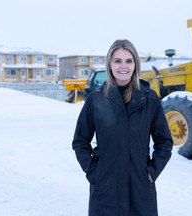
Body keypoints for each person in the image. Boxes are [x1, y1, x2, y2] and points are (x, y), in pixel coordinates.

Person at [72, 39, 173, 216]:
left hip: (140, 190)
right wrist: (94, 173)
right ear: (109, 65)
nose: (123, 66)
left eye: (129, 60)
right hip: (105, 191)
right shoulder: (96, 100)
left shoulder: (149, 99)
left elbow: (164, 141)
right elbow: (80, 141)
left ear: (136, 64)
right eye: (117, 60)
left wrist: (150, 173)